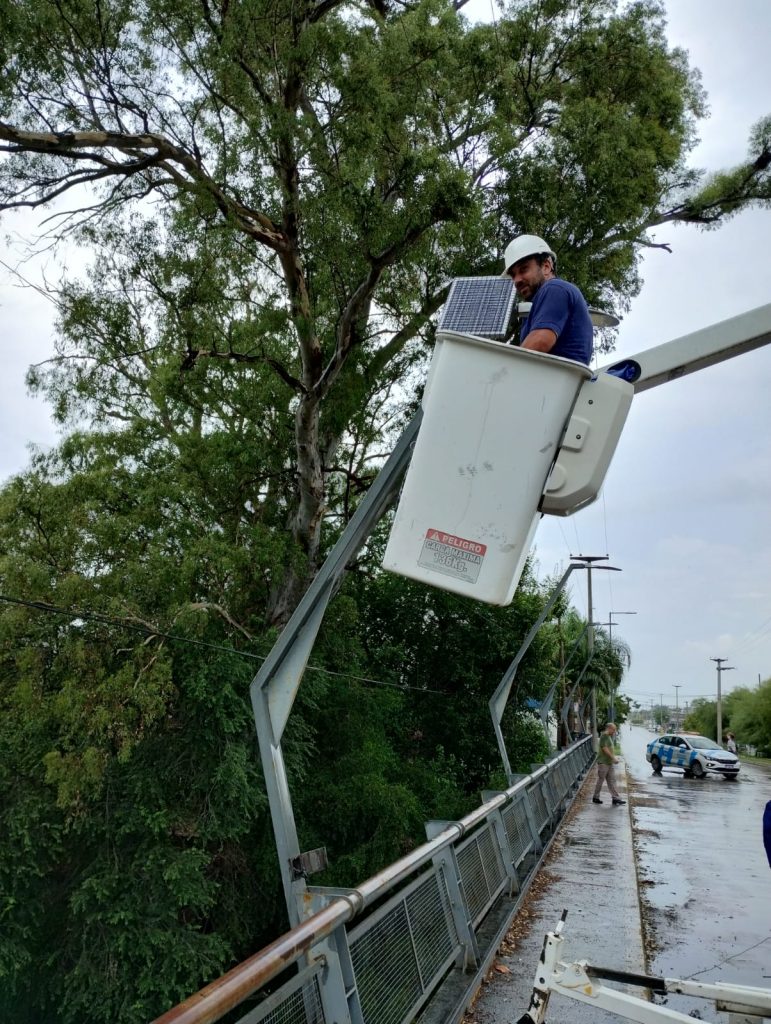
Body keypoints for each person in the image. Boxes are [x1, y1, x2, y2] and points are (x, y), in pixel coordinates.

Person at [501, 234, 594, 365]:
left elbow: (540, 343)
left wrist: (502, 371)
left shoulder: (555, 288)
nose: (517, 280)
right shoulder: (541, 302)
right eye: (513, 275)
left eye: (523, 270)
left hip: (553, 380)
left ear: (546, 266)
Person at [592, 722, 626, 805]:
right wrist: (613, 758)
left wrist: (613, 758)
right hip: (603, 763)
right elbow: (605, 749)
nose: (614, 731)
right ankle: (595, 797)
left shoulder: (609, 737)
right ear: (609, 728)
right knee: (601, 780)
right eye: (613, 729)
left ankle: (615, 798)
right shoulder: (604, 736)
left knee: (612, 781)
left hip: (609, 763)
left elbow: (609, 748)